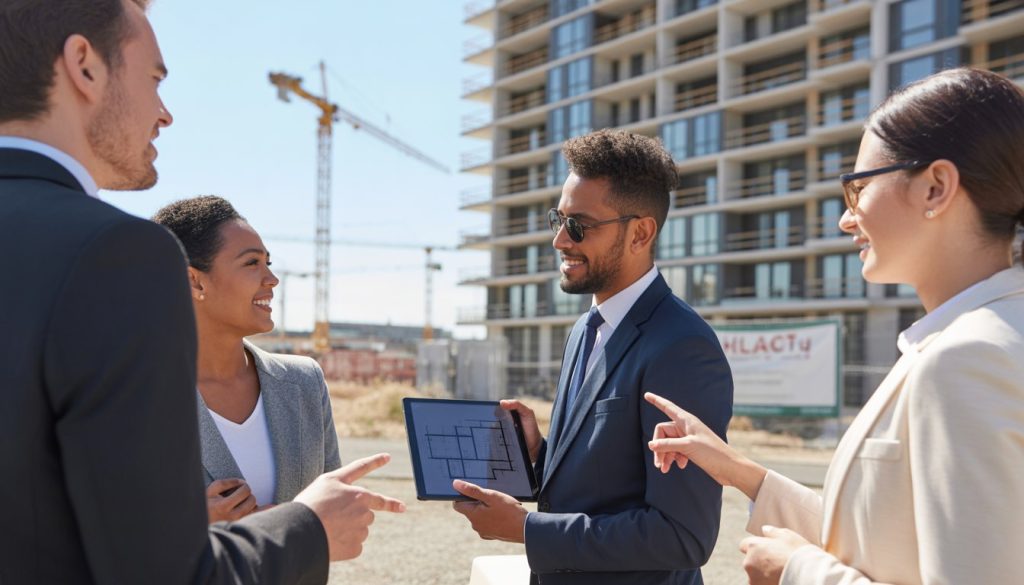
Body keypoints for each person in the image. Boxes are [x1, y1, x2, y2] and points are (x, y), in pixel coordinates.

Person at [0, 1, 403, 583]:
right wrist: (306, 526)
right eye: (155, 80)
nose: (164, 115)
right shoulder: (114, 252)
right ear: (83, 65)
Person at [645, 67, 1024, 585]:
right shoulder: (986, 337)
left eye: (857, 189)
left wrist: (797, 571)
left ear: (936, 187)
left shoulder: (967, 358)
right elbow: (887, 537)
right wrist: (739, 470)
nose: (846, 219)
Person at [452, 129, 734, 584]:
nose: (560, 241)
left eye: (579, 225)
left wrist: (527, 530)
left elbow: (683, 536)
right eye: (558, 220)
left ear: (641, 232)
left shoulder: (682, 348)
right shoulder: (586, 328)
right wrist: (538, 456)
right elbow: (605, 486)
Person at [153, 196, 342, 523]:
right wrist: (188, 524)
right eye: (252, 263)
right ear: (195, 281)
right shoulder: (131, 393)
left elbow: (335, 513)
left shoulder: (305, 382)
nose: (272, 279)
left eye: (267, 262)